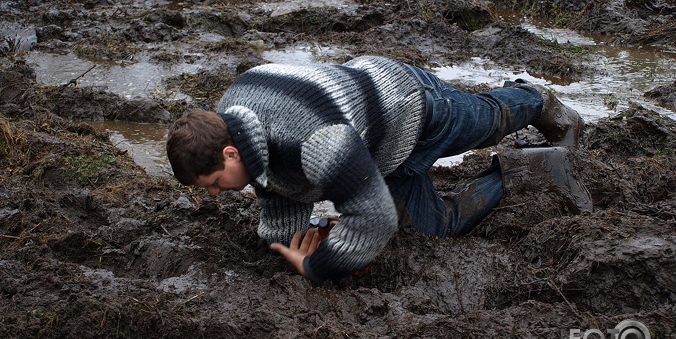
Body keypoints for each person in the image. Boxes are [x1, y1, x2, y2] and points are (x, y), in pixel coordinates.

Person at [167, 56, 592, 284]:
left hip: (408, 104)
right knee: (431, 230)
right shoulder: (233, 119)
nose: (214, 194)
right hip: (371, 146)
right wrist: (286, 245)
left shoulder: (313, 143)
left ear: (229, 154)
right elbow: (277, 192)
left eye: (214, 185)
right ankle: (530, 167)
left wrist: (318, 267)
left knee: (488, 121)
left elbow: (373, 218)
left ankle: (538, 99)